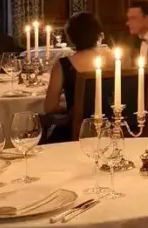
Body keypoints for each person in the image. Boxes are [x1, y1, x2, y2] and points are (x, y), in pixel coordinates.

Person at [43, 12, 110, 142]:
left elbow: (49, 107)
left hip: (76, 131)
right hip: (112, 126)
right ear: (98, 34)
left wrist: (73, 107)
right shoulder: (115, 61)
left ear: (70, 37)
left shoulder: (64, 65)